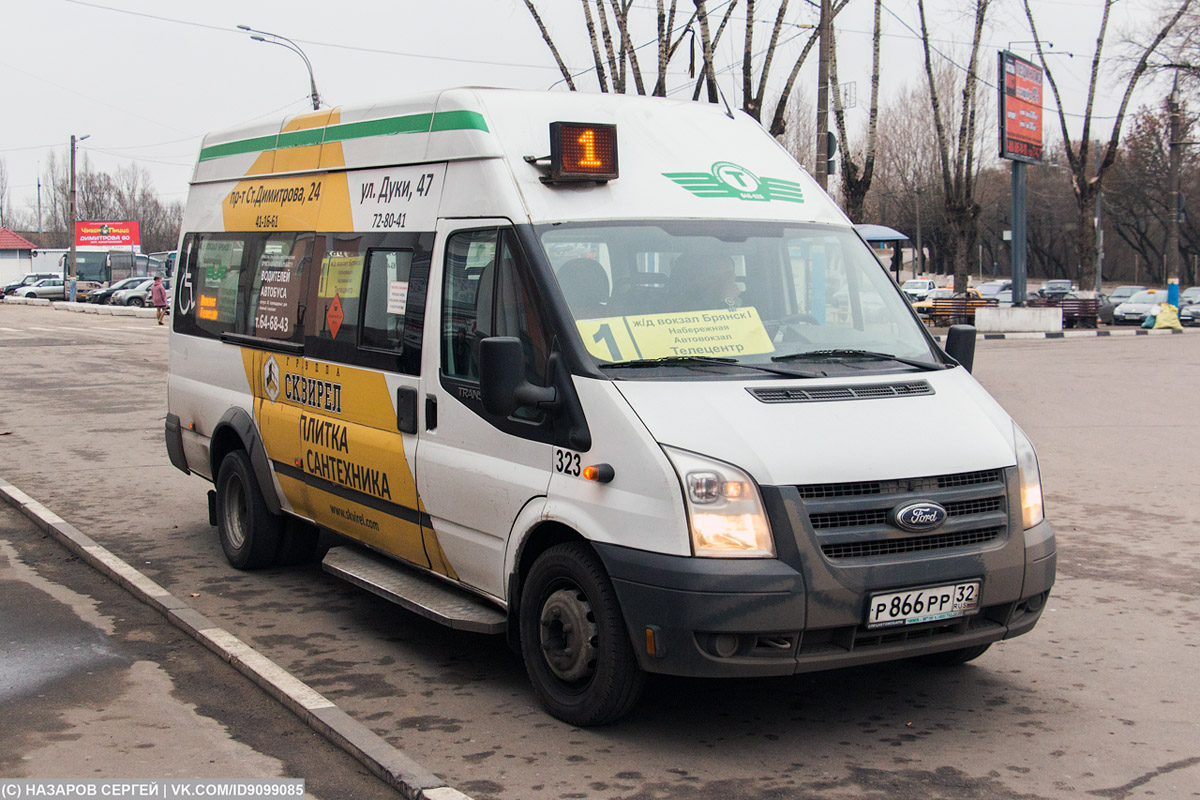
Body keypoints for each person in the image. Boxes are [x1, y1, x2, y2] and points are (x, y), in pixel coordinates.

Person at [668, 252, 741, 311]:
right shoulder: (681, 304)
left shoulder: (748, 304)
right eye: (716, 277)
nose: (725, 281)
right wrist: (725, 300)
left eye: (729, 275)